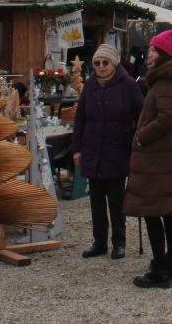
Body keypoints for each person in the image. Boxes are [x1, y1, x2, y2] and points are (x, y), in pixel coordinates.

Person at [124, 28, 172, 289]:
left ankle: (161, 269)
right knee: (170, 213)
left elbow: (166, 117)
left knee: (152, 211)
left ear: (162, 53)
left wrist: (141, 136)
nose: (148, 53)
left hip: (158, 158)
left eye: (153, 49)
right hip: (168, 157)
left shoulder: (163, 82)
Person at [72, 42, 144, 260]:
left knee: (116, 200)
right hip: (93, 148)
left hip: (116, 149)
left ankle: (119, 242)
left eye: (105, 63)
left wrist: (135, 137)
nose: (101, 67)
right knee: (96, 201)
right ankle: (99, 241)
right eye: (97, 63)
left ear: (113, 64)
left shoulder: (127, 84)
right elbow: (80, 119)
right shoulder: (90, 85)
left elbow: (142, 113)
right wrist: (77, 148)